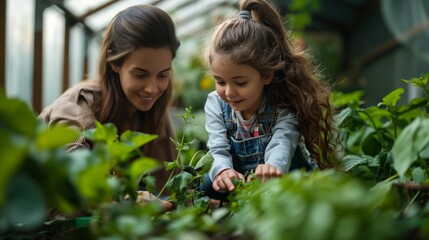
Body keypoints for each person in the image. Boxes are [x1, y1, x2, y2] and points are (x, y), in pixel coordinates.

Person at [39, 4, 180, 209]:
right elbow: (75, 187)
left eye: (162, 75)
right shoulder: (77, 108)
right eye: (140, 74)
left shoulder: (153, 113)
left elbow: (168, 188)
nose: (152, 89)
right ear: (114, 62)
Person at [201, 0, 338, 200]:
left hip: (281, 171)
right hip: (242, 177)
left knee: (302, 184)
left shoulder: (282, 102)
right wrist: (223, 171)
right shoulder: (215, 103)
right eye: (220, 81)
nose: (229, 92)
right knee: (207, 185)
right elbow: (218, 148)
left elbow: (283, 142)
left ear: (266, 75)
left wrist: (273, 168)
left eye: (240, 83)